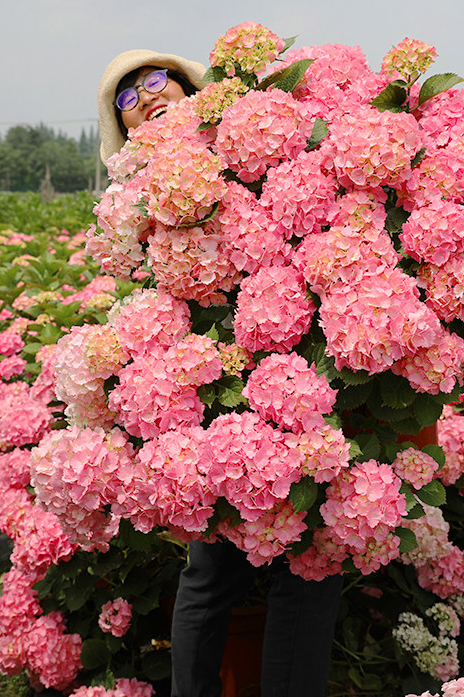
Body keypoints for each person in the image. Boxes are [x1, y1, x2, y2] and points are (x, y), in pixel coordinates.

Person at [97, 50, 343, 697]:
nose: (146, 96)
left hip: (309, 368)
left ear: (185, 85)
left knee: (309, 559)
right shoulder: (134, 193)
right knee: (212, 568)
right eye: (128, 97)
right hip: (212, 382)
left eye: (156, 80)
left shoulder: (237, 135)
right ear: (121, 128)